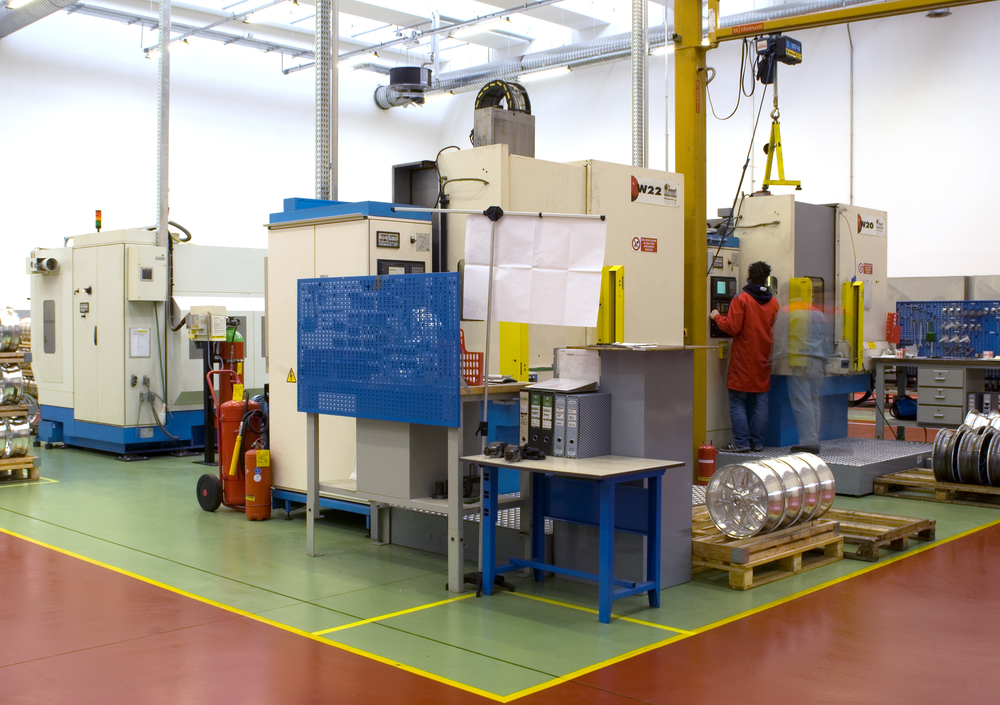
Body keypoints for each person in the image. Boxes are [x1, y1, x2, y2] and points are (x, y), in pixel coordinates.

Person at [710, 261, 780, 453]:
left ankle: (741, 442)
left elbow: (732, 327)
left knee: (737, 402)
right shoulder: (773, 302)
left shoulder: (741, 299)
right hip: (763, 358)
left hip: (743, 360)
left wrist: (716, 316)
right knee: (760, 402)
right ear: (766, 278)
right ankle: (757, 443)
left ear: (749, 276)